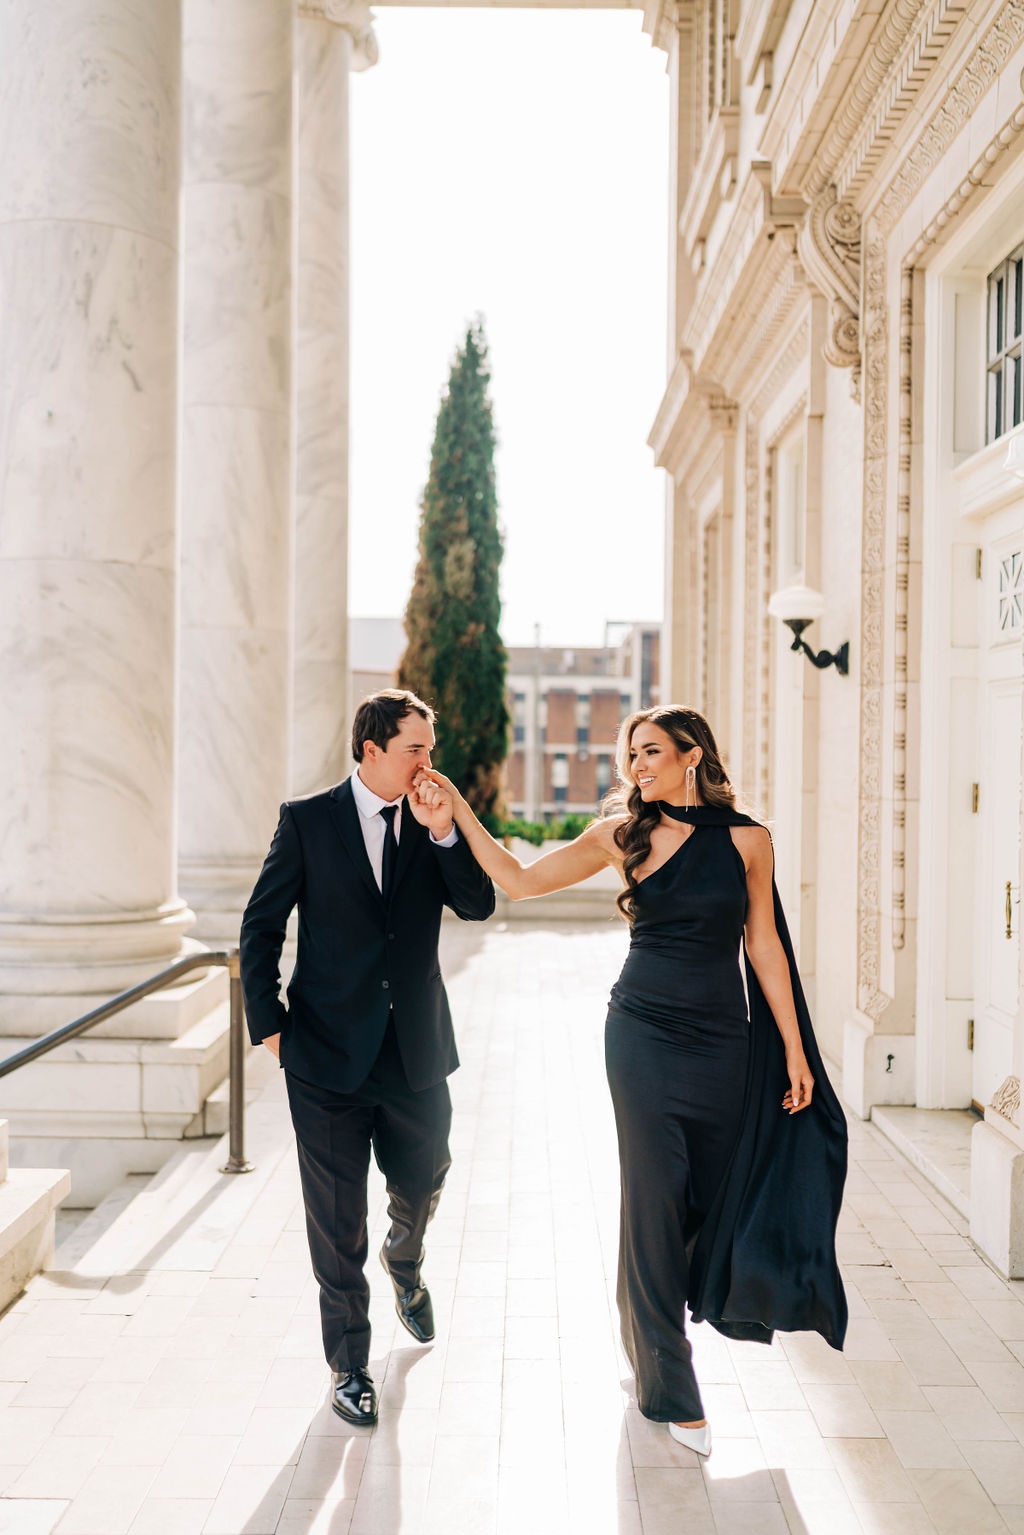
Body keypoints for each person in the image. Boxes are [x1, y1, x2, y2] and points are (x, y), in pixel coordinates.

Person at [412, 705, 847, 1456]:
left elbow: (765, 945)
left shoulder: (748, 839)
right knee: (653, 1192)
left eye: (650, 751)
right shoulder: (622, 834)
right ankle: (669, 1387)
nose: (636, 765)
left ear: (692, 755)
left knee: (706, 1196)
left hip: (724, 1042)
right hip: (641, 1035)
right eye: (630, 754)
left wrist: (796, 1049)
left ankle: (638, 1328)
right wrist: (457, 813)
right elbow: (517, 880)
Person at [240, 690, 495, 1426]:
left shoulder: (432, 818)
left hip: (415, 1049)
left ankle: (405, 1255)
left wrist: (446, 834)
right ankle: (349, 1363)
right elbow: (260, 927)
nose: (429, 762)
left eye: (430, 747)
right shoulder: (307, 821)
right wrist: (272, 1026)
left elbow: (477, 905)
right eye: (416, 748)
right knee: (335, 1218)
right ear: (373, 749)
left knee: (427, 1172)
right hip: (323, 1056)